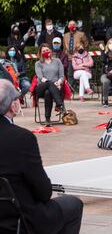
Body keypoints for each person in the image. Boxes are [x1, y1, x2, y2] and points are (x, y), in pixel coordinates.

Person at [0, 79, 83, 234]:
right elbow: (43, 191)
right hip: (18, 219)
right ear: (12, 105)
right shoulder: (21, 138)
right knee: (73, 204)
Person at [34, 44, 66, 126]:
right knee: (48, 85)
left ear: (50, 51)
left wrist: (59, 82)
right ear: (40, 53)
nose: (46, 52)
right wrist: (54, 83)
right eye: (43, 51)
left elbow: (62, 76)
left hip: (54, 87)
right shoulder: (38, 63)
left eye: (47, 50)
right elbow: (41, 77)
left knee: (48, 93)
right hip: (41, 87)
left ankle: (47, 119)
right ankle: (60, 104)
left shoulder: (57, 61)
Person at [63, 20, 89, 86]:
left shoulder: (81, 34)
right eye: (70, 24)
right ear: (68, 26)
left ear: (76, 26)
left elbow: (86, 44)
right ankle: (70, 88)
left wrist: (82, 54)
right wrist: (66, 54)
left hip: (79, 57)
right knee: (69, 73)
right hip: (69, 57)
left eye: (74, 24)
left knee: (81, 72)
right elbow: (64, 47)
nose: (72, 26)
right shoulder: (65, 35)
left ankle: (82, 87)